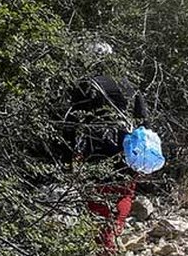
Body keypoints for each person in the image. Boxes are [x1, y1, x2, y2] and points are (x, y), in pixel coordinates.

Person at [59, 42, 150, 254]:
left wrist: (67, 159)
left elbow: (70, 127)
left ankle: (104, 244)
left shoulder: (84, 85)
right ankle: (110, 238)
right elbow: (145, 123)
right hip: (127, 152)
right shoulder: (130, 85)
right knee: (124, 194)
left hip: (95, 151)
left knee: (97, 198)